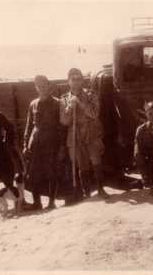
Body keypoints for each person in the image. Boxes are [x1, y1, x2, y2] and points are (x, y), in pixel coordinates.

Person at [60, 68, 109, 200]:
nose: (76, 82)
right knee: (81, 164)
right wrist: (70, 107)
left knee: (96, 160)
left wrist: (80, 103)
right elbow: (64, 121)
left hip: (91, 132)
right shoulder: (64, 99)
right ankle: (86, 192)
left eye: (79, 79)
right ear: (68, 81)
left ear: (82, 80)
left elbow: (94, 114)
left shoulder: (91, 95)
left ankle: (100, 189)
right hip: (75, 134)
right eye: (73, 79)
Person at [23, 75, 66, 210]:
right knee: (34, 173)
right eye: (39, 86)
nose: (42, 88)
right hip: (35, 143)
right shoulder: (33, 104)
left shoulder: (58, 103)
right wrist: (25, 144)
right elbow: (29, 126)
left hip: (52, 142)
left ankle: (51, 202)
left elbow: (62, 128)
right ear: (36, 88)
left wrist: (62, 146)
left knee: (51, 172)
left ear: (49, 86)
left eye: (44, 85)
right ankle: (37, 203)